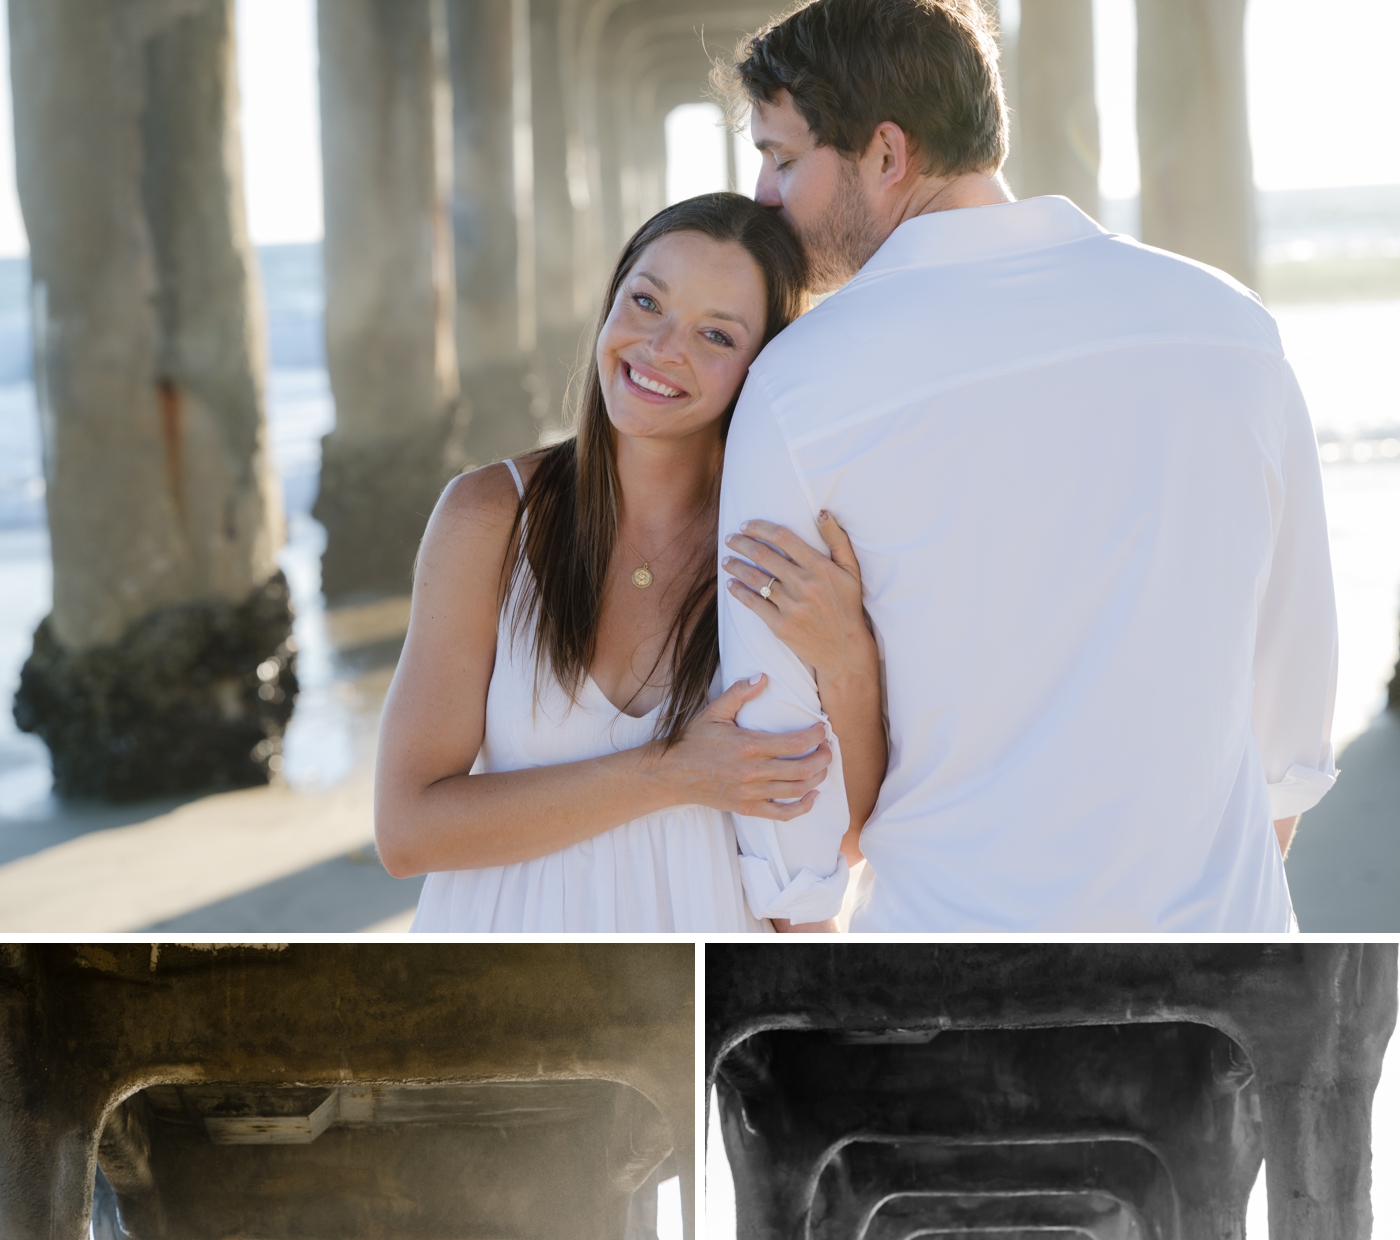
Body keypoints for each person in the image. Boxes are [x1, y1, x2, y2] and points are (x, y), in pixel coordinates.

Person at [715, 0, 1338, 933]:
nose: (763, 194)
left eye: (783, 157)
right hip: (1221, 962)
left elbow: (779, 780)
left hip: (946, 972)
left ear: (887, 155)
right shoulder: (1231, 327)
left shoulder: (799, 386)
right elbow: (1290, 728)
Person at [374, 191, 886, 932]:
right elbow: (408, 830)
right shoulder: (490, 517)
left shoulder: (785, 552)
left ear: (765, 366)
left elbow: (842, 842)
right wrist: (673, 773)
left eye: (716, 334)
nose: (661, 347)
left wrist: (850, 664)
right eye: (647, 301)